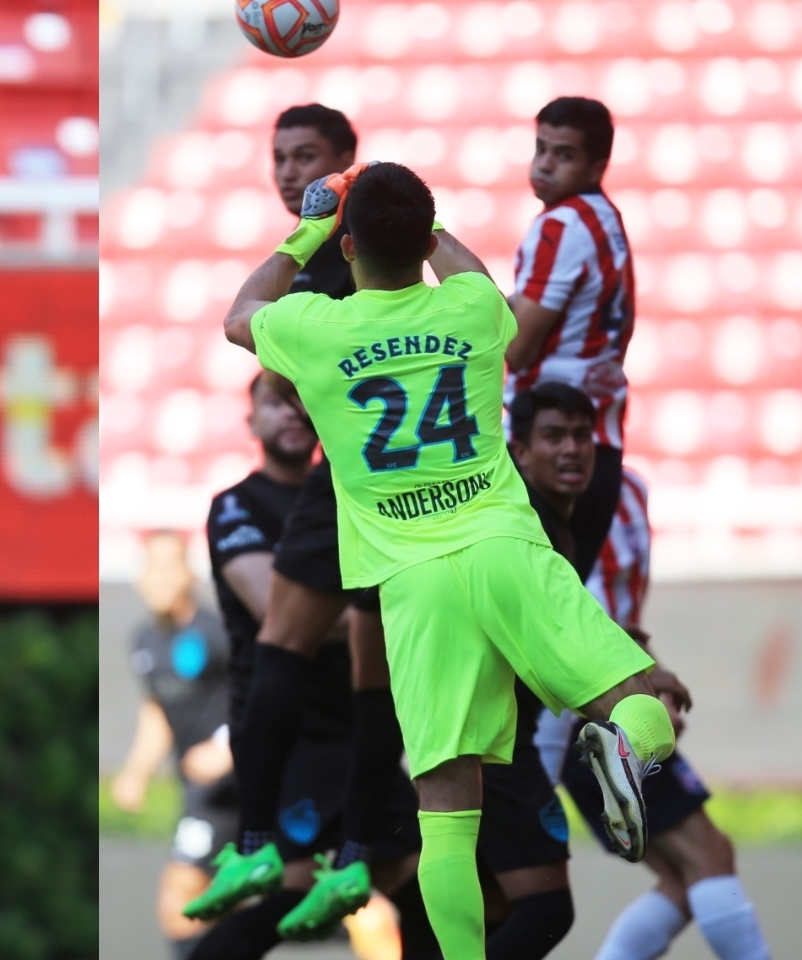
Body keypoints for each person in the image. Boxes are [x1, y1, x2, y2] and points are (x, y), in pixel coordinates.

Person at [219, 159, 676, 960]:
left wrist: (311, 230)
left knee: (445, 808)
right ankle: (625, 749)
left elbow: (239, 313)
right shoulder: (469, 309)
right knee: (641, 699)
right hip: (503, 545)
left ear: (351, 244)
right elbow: (473, 276)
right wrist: (422, 225)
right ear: (424, 236)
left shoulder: (314, 328)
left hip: (414, 581)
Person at [185, 104, 414, 941]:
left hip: (358, 484)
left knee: (292, 641)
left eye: (307, 159)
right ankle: (348, 847)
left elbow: (246, 320)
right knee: (368, 672)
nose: (289, 173)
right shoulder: (377, 255)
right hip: (397, 491)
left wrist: (310, 235)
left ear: (347, 168)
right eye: (279, 157)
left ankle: (259, 839)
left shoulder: (334, 261)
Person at [505, 408, 771, 960]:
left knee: (686, 875)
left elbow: (605, 616)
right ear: (522, 450)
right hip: (590, 714)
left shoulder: (619, 494)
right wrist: (644, 686)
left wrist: (650, 674)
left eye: (583, 433)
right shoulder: (527, 518)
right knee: (705, 860)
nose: (574, 449)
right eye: (555, 436)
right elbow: (576, 621)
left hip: (602, 702)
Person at [190, 374, 436, 960]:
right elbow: (280, 613)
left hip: (353, 725)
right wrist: (395, 617)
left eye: (303, 399)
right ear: (251, 422)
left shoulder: (349, 499)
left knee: (410, 869)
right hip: (289, 738)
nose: (293, 414)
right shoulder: (237, 507)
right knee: (320, 881)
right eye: (275, 403)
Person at [506, 96, 634, 581]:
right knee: (561, 611)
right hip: (599, 438)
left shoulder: (560, 226)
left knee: (527, 613)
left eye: (564, 155)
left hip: (550, 442)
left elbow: (518, 350)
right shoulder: (606, 217)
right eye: (540, 149)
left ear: (598, 165)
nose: (544, 165)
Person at [111, 530, 236, 960]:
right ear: (139, 578)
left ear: (189, 575)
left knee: (180, 898)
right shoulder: (143, 641)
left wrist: (227, 747)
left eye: (171, 566)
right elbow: (158, 712)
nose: (161, 577)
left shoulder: (217, 633)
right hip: (197, 792)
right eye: (153, 567)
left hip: (232, 791)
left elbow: (264, 694)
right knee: (219, 911)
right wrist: (136, 772)